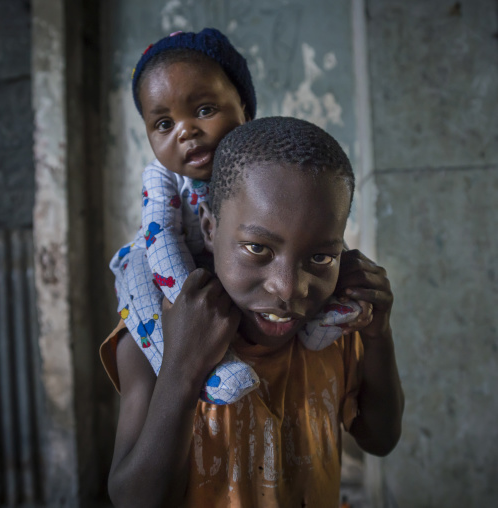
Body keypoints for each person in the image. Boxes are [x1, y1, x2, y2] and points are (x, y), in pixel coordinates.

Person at [101, 117, 404, 507]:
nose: (288, 288)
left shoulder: (333, 331)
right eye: (257, 248)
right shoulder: (152, 335)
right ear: (210, 228)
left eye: (320, 256)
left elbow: (380, 438)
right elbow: (133, 499)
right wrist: (182, 366)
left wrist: (379, 335)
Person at [110, 29, 361, 405]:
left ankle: (322, 326)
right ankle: (199, 367)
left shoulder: (273, 171)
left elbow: (315, 235)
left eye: (204, 110)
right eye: (164, 123)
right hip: (172, 270)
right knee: (139, 266)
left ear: (244, 107)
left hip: (241, 287)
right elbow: (161, 238)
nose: (186, 131)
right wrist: (188, 306)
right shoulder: (162, 178)